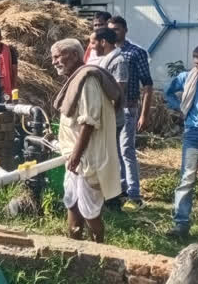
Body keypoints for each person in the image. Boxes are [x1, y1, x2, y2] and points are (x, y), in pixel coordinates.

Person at [51, 38, 121, 243]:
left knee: (90, 211)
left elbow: (89, 122)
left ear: (73, 55)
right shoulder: (77, 77)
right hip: (75, 156)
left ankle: (99, 250)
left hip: (86, 157)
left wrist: (76, 154)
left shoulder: (88, 80)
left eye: (58, 56)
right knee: (72, 202)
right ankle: (74, 245)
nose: (54, 62)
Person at [164, 45, 198, 237]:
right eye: (197, 64)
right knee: (187, 177)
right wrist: (182, 108)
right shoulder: (187, 77)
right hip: (194, 132)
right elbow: (168, 93)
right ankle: (181, 223)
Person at [108, 15, 153, 211]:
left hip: (128, 107)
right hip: (111, 108)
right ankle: (120, 189)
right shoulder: (108, 53)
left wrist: (144, 114)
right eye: (111, 30)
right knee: (115, 150)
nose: (114, 33)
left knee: (127, 149)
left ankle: (135, 195)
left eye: (117, 29)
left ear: (125, 30)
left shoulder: (136, 53)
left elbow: (148, 85)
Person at [92, 28, 129, 210]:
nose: (92, 46)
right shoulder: (105, 59)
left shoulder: (119, 61)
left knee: (110, 158)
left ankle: (114, 199)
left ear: (103, 42)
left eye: (94, 42)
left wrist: (110, 116)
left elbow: (118, 92)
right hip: (104, 118)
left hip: (112, 119)